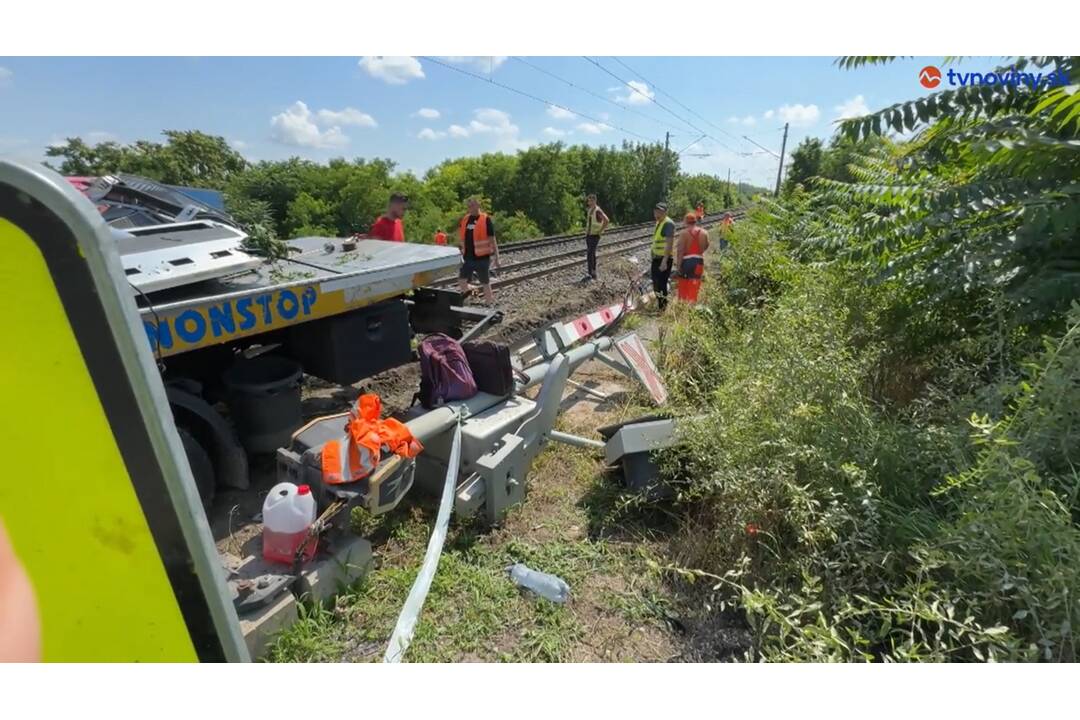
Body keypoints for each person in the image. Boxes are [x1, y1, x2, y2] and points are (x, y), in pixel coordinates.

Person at [457, 198, 501, 305]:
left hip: (482, 257)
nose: (469, 208)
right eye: (468, 206)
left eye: (472, 206)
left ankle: (489, 303)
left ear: (477, 206)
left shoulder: (485, 219)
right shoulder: (466, 219)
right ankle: (468, 300)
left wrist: (497, 257)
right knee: (462, 280)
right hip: (468, 257)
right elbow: (462, 238)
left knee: (485, 282)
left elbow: (492, 239)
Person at [674, 213, 710, 304]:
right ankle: (692, 307)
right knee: (695, 284)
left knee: (683, 284)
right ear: (695, 221)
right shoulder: (704, 233)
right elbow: (706, 245)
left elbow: (680, 251)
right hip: (698, 261)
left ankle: (682, 305)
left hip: (686, 261)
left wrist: (678, 267)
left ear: (686, 222)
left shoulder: (683, 233)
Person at [649, 202, 676, 310]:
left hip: (664, 259)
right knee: (656, 283)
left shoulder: (668, 223)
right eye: (655, 211)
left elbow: (669, 243)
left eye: (660, 212)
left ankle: (663, 308)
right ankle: (661, 305)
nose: (657, 214)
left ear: (665, 212)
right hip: (657, 258)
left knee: (661, 284)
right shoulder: (659, 222)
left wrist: (664, 261)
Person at [583, 193, 610, 281]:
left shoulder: (598, 210)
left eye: (591, 200)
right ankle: (591, 273)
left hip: (595, 235)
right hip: (589, 235)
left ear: (595, 201)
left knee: (590, 253)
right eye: (589, 200)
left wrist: (600, 231)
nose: (589, 202)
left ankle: (592, 273)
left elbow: (606, 220)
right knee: (591, 254)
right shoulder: (590, 210)